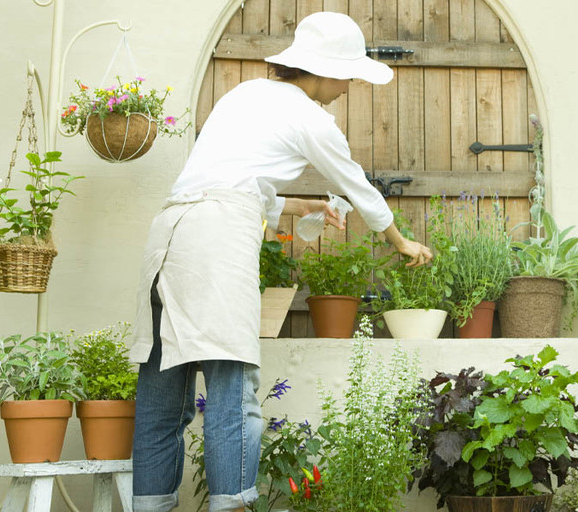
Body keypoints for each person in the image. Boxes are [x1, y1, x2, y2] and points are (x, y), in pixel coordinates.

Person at [129, 12, 432, 512]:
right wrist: (400, 242)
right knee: (232, 389)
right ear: (326, 70)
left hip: (170, 235)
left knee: (162, 399)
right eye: (349, 76)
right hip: (216, 241)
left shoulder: (245, 94)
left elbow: (233, 181)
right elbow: (358, 187)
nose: (349, 86)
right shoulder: (313, 119)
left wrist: (300, 206)